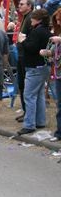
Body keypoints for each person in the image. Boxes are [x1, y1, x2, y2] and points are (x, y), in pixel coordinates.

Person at [17, 9, 52, 135]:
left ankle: (29, 124)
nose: (31, 19)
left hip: (34, 67)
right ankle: (40, 121)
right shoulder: (47, 31)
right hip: (44, 66)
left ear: (40, 20)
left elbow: (31, 48)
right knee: (39, 94)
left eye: (34, 17)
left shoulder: (36, 32)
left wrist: (22, 40)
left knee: (29, 95)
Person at [41, 8, 61, 142]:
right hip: (59, 74)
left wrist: (59, 39)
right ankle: (59, 132)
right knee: (60, 104)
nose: (58, 23)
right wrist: (45, 52)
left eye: (60, 20)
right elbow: (53, 52)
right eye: (57, 21)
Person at [15, 0, 35, 123]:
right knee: (21, 85)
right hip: (21, 55)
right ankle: (25, 110)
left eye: (22, 4)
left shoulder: (30, 18)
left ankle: (28, 112)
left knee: (26, 86)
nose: (19, 6)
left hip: (26, 56)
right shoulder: (24, 18)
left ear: (29, 6)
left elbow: (32, 37)